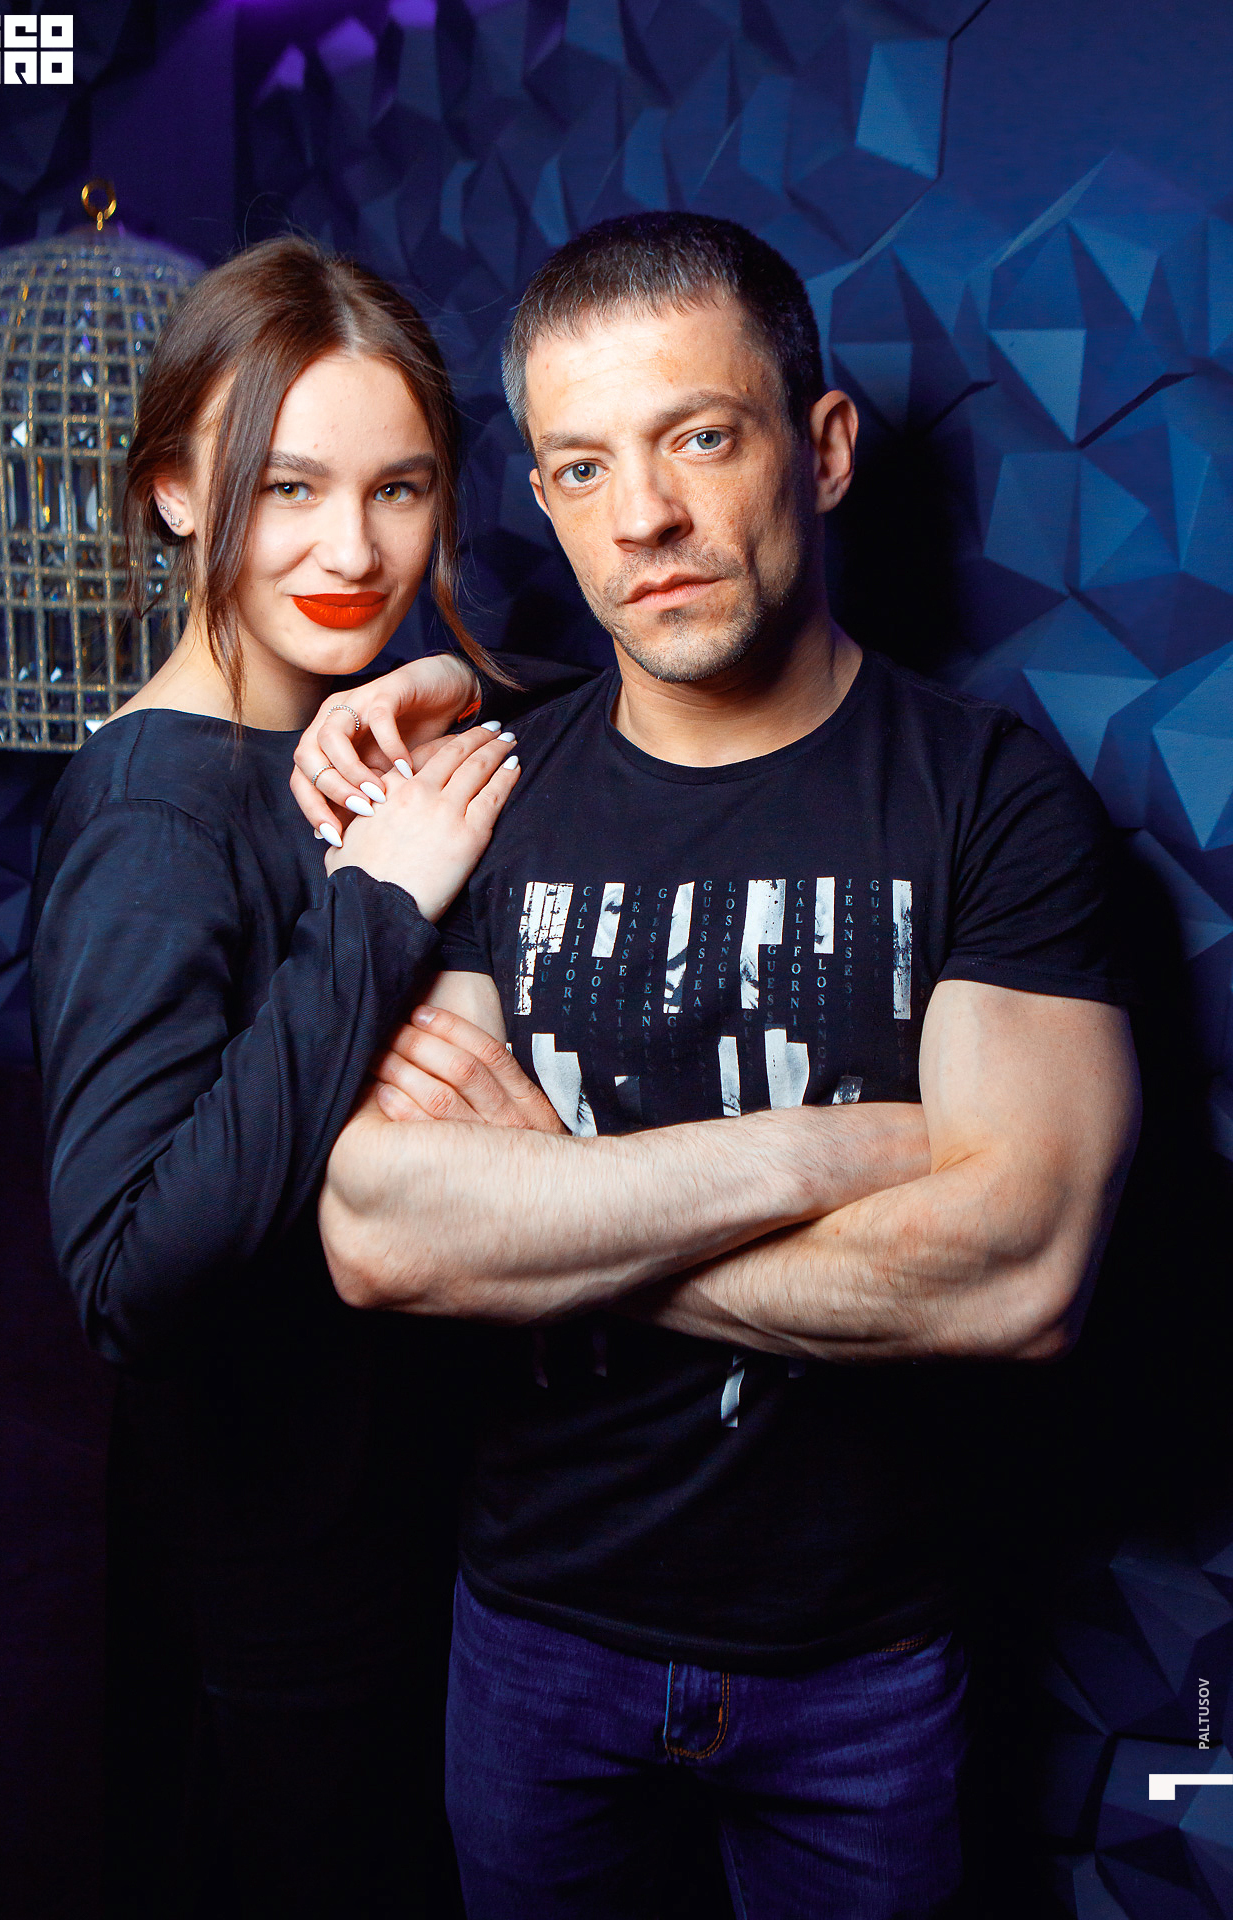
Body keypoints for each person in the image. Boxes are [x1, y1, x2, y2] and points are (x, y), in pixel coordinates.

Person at [306, 213, 1141, 1920]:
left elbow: (1021, 1270)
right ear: (546, 499)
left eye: (698, 437)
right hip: (535, 1642)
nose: (643, 519)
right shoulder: (481, 795)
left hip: (863, 1670)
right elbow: (386, 1236)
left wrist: (549, 1218)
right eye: (581, 466)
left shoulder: (994, 799)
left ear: (821, 451)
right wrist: (834, 1152)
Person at [29, 235, 525, 1917]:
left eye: (401, 489)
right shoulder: (153, 810)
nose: (353, 549)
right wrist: (376, 909)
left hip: (435, 1529)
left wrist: (446, 685)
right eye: (289, 486)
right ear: (177, 492)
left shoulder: (369, 734)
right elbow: (131, 1275)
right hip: (277, 1586)